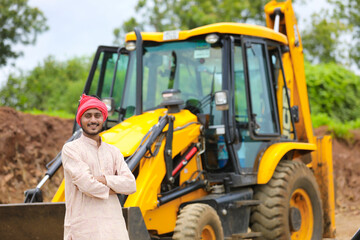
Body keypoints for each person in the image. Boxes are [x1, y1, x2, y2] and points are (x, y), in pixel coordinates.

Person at [61, 94, 136, 240]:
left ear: (104, 119)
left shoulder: (113, 151)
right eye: (88, 116)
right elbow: (88, 186)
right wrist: (117, 188)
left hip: (115, 230)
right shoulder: (71, 149)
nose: (93, 120)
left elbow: (131, 185)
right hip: (85, 230)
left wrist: (101, 179)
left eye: (97, 115)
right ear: (80, 120)